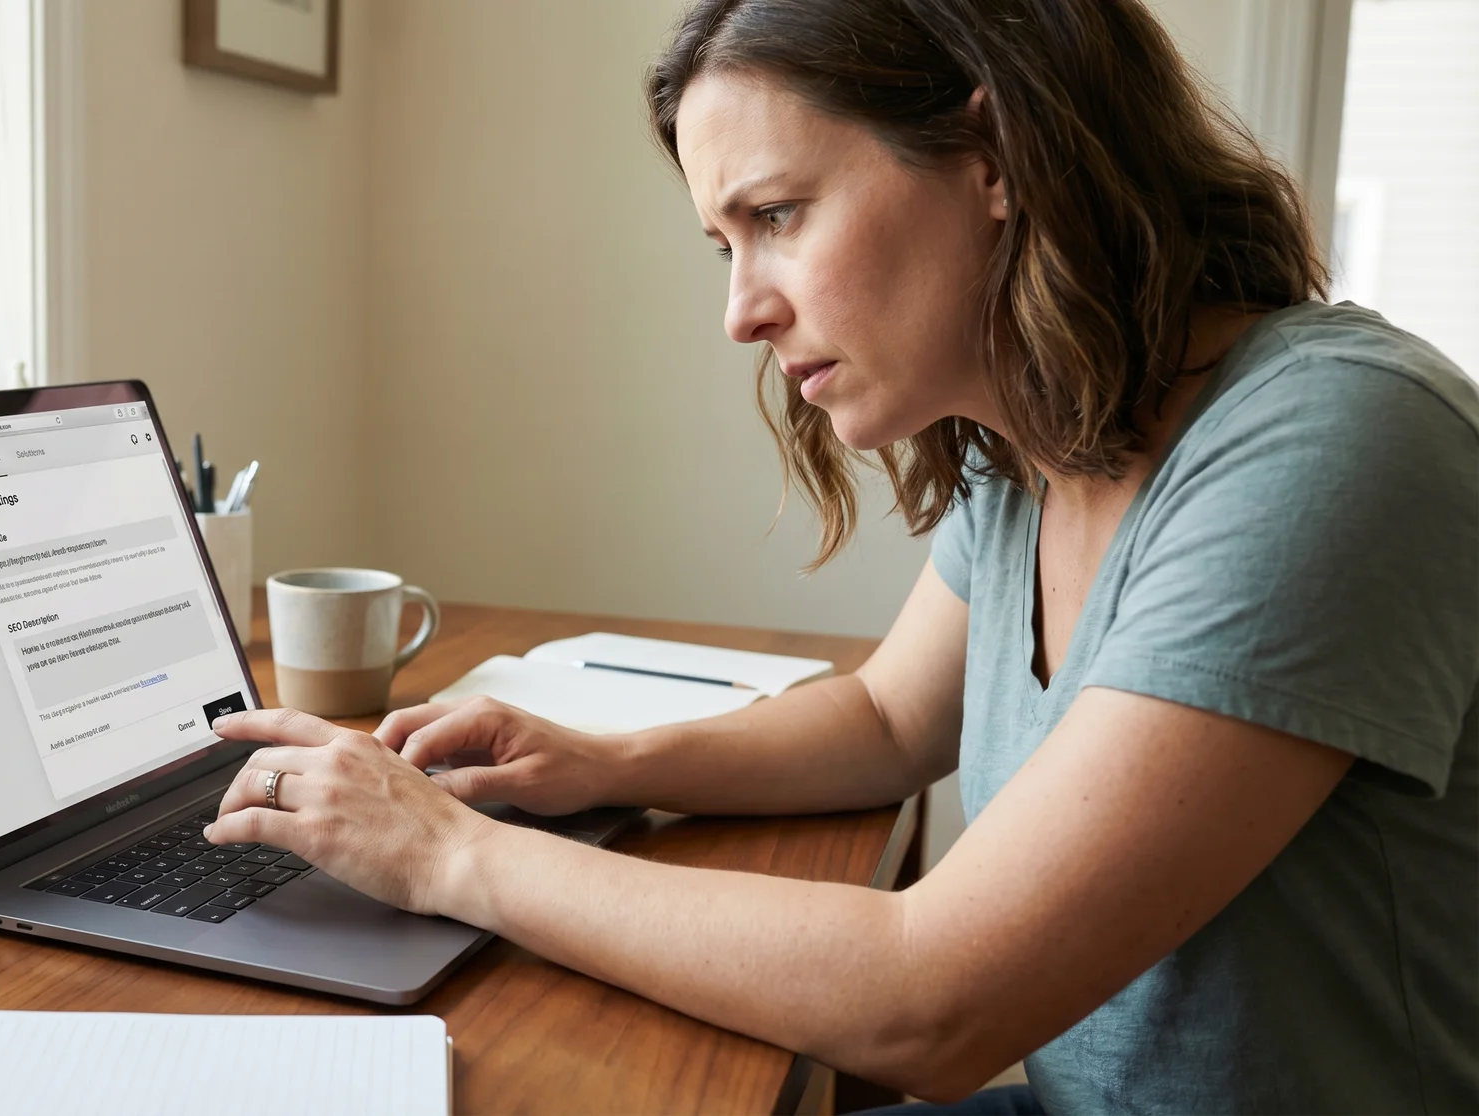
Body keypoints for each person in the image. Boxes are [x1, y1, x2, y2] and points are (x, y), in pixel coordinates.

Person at [203, 0, 1479, 1110]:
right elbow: (882, 717)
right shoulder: (1040, 442)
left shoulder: (1330, 443)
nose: (739, 310)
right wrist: (600, 763)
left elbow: (934, 1005)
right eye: (725, 242)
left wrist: (448, 854)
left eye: (776, 214)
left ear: (992, 154)